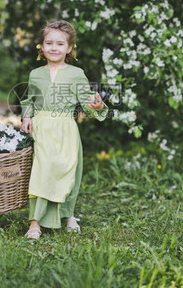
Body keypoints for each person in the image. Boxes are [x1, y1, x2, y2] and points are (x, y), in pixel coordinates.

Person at [20, 20, 107, 239]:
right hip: (42, 127)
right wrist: (27, 116)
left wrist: (96, 106)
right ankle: (35, 223)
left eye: (60, 44)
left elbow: (86, 101)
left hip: (65, 127)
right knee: (41, 172)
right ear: (41, 46)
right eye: (48, 43)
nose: (53, 48)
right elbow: (29, 99)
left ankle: (68, 215)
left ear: (69, 48)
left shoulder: (76, 73)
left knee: (67, 171)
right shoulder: (36, 74)